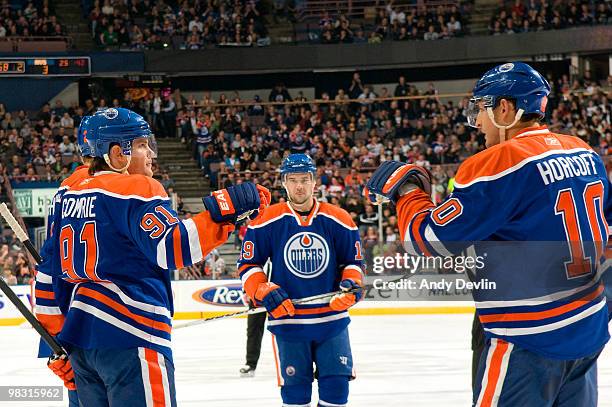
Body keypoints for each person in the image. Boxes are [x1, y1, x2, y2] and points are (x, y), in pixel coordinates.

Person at [365, 62, 610, 407]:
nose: (477, 121)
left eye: (481, 108)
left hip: (527, 341)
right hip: (587, 330)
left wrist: (408, 193)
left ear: (506, 109)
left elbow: (426, 241)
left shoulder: (497, 161)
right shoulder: (585, 153)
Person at [40, 107, 270, 407]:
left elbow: (46, 273)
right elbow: (173, 247)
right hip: (132, 335)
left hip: (80, 345)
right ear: (116, 153)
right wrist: (224, 210)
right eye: (140, 145)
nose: (151, 153)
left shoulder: (66, 193)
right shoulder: (136, 188)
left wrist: (55, 345)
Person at [238, 154, 365, 407]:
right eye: (293, 180)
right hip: (289, 322)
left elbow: (353, 263)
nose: (299, 186)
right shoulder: (266, 221)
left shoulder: (339, 219)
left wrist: (352, 286)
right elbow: (248, 265)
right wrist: (263, 289)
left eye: (304, 180)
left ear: (314, 182)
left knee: (337, 393)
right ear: (284, 182)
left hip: (332, 320)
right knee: (296, 397)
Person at [35, 114, 95, 406]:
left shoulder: (65, 187)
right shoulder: (114, 185)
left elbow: (49, 263)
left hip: (69, 319)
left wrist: (54, 342)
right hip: (106, 323)